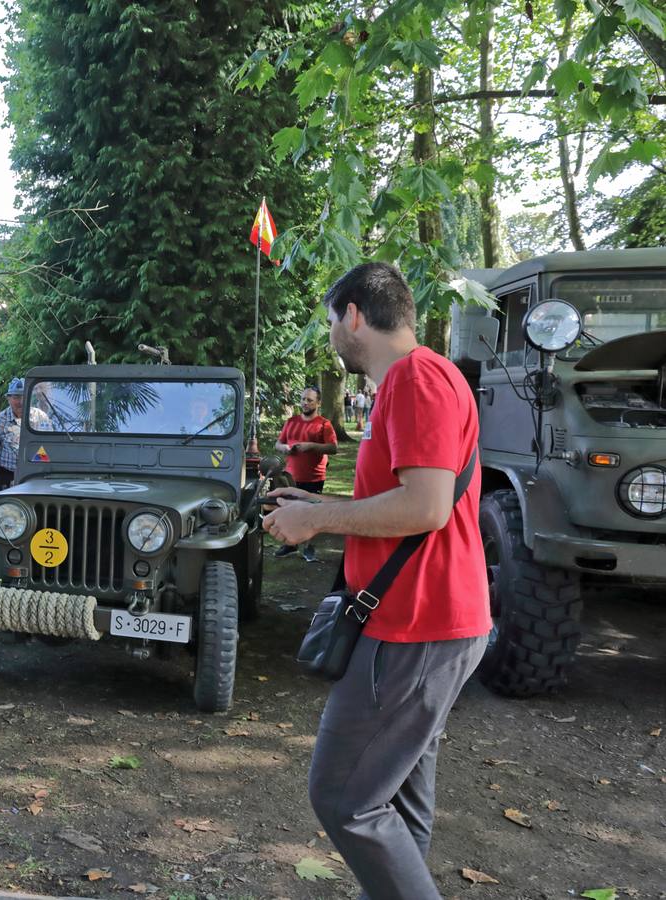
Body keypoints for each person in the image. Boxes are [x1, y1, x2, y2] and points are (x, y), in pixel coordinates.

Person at [263, 262, 487, 899]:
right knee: (396, 805)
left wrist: (315, 519)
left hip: (417, 627)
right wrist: (307, 510)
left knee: (344, 797)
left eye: (333, 319)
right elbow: (403, 501)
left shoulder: (417, 378)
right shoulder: (411, 381)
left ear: (354, 315)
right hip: (422, 622)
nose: (332, 333)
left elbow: (426, 507)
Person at [271, 386, 338, 563]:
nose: (305, 403)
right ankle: (290, 544)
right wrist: (284, 448)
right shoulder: (291, 421)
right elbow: (278, 443)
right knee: (287, 508)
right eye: (303, 399)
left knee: (310, 510)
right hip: (290, 475)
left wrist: (311, 446)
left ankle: (308, 547)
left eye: (309, 400)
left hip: (314, 476)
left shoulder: (324, 424)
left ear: (318, 402)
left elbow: (333, 448)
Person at [0, 377, 46, 491]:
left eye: (24, 397)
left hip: (36, 477)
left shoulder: (41, 418)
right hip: (8, 477)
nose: (21, 402)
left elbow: (49, 447)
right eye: (16, 397)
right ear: (8, 398)